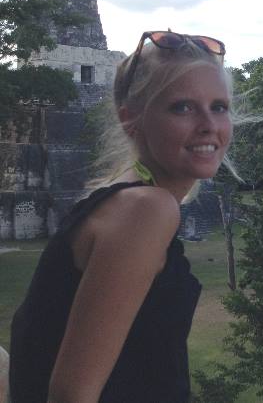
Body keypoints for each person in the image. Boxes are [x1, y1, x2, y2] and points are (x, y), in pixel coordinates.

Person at [9, 30, 232, 402]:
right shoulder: (146, 211)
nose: (209, 124)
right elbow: (70, 395)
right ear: (132, 121)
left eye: (219, 107)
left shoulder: (115, 199)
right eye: (183, 107)